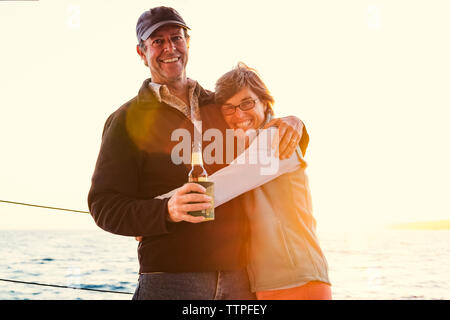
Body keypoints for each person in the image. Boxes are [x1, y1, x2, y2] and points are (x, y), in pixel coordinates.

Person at [88, 6, 306, 300]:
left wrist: (297, 123)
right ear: (141, 53)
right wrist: (165, 210)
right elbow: (104, 206)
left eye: (176, 38)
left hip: (241, 279)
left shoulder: (222, 106)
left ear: (187, 44)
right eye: (157, 41)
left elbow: (271, 142)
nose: (169, 48)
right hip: (170, 279)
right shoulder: (125, 120)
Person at [213, 62, 332, 300]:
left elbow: (220, 187)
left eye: (247, 103)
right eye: (229, 108)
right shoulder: (242, 148)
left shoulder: (276, 136)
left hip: (297, 278)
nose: (239, 114)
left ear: (264, 102)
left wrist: (157, 211)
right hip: (268, 281)